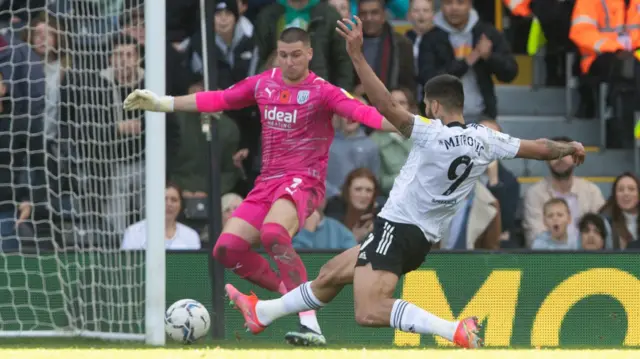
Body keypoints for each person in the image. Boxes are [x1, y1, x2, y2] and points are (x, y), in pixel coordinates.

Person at [224, 16, 586, 349]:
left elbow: (384, 104)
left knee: (368, 311)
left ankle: (454, 330)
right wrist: (568, 147)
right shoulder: (487, 138)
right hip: (420, 236)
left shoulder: (431, 132)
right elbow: (539, 148)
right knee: (330, 274)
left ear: (432, 106)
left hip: (397, 227)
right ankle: (263, 313)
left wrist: (357, 56)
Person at [123, 27, 396, 346]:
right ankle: (281, 301)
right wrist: (163, 102)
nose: (289, 62)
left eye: (296, 55)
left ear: (308, 54)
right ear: (276, 54)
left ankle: (310, 325)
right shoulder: (263, 83)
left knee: (272, 234)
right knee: (226, 249)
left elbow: (365, 114)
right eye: (283, 55)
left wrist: (411, 126)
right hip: (266, 183)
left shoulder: (323, 90)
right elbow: (219, 98)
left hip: (303, 180)